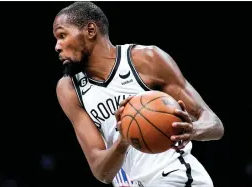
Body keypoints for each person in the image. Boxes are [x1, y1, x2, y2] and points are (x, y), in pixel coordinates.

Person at [53, 2, 224, 187]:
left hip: (176, 176)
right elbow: (102, 173)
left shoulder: (146, 59)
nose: (57, 46)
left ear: (91, 30)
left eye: (62, 35)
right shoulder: (69, 89)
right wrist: (123, 141)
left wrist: (193, 130)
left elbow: (215, 125)